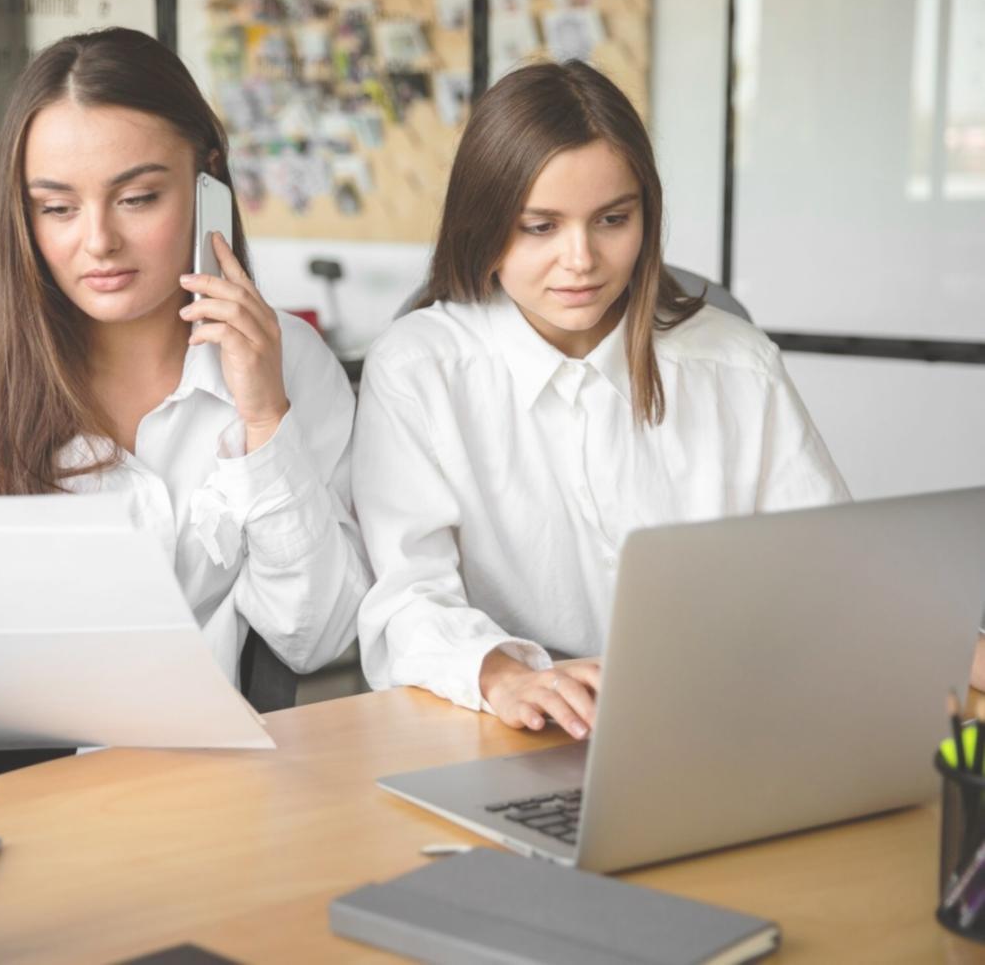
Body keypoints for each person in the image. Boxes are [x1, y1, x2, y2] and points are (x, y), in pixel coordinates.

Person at [0, 27, 369, 862]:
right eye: (55, 207)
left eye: (136, 198)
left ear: (207, 183)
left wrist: (265, 418)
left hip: (196, 805)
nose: (95, 242)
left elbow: (315, 639)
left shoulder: (285, 364)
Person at [352, 60, 849, 737]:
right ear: (483, 224)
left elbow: (829, 570)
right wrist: (503, 675)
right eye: (539, 227)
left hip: (720, 719)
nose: (580, 259)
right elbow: (407, 596)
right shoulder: (418, 367)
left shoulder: (735, 363)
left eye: (611, 219)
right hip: (511, 731)